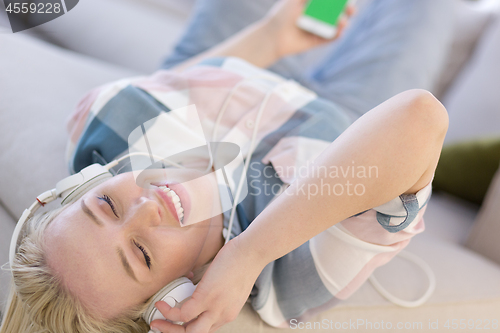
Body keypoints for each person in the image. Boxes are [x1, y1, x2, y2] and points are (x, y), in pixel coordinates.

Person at [1, 0, 453, 332]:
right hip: (358, 117)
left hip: (228, 69)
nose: (145, 207)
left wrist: (270, 36)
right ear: (172, 296)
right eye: (141, 253)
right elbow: (418, 117)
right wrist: (249, 252)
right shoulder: (289, 278)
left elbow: (176, 82)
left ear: (86, 183)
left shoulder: (107, 135)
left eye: (105, 204)